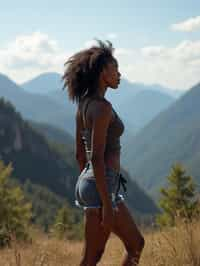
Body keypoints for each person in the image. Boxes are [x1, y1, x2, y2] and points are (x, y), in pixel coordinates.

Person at [62, 40, 144, 266]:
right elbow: (96, 157)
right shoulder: (103, 108)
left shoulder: (84, 105)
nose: (120, 74)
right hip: (102, 185)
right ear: (102, 73)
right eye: (115, 69)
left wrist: (89, 185)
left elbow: (80, 154)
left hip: (90, 182)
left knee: (92, 257)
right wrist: (106, 204)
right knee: (135, 245)